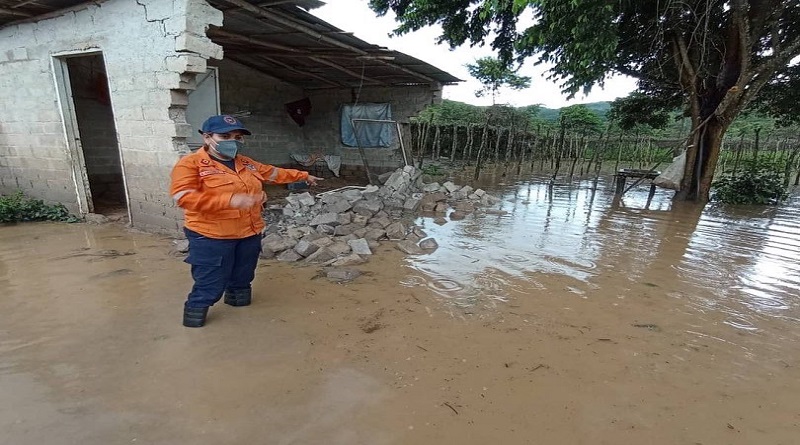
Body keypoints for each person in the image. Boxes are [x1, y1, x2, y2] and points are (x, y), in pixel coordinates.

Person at [170, 115, 322, 327]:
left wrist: (303, 175)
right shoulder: (190, 164)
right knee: (210, 280)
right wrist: (230, 200)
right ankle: (195, 314)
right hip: (212, 236)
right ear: (207, 137)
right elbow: (184, 197)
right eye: (225, 136)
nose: (232, 141)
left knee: (243, 274)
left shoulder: (246, 163)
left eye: (237, 137)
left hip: (249, 232)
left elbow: (273, 173)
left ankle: (239, 306)